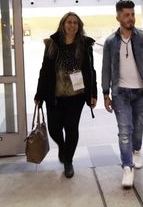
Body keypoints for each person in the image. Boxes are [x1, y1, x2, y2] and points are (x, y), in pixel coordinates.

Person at [102, 0, 143, 188]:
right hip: (120, 92)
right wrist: (106, 93)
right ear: (118, 17)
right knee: (124, 130)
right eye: (127, 15)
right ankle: (127, 168)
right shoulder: (110, 42)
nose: (131, 18)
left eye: (133, 14)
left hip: (140, 91)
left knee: (137, 126)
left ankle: (136, 151)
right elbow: (105, 69)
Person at [34, 12, 97, 178]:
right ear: (63, 25)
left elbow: (91, 71)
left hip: (76, 97)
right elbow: (45, 71)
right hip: (54, 96)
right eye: (69, 22)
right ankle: (63, 148)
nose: (72, 25)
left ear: (79, 26)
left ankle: (68, 161)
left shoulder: (84, 45)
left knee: (71, 129)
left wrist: (93, 94)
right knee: (54, 129)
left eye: (75, 23)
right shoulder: (52, 44)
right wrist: (39, 94)